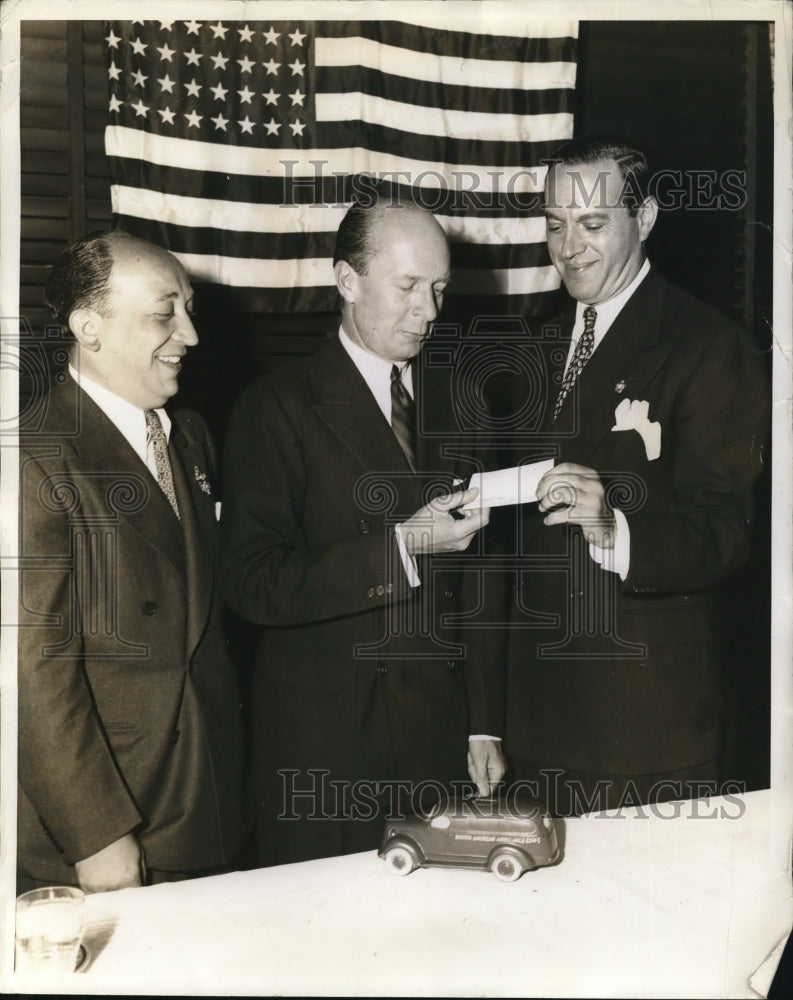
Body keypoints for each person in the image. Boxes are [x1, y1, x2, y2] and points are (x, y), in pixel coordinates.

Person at [220, 196, 504, 865]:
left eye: (437, 289)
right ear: (346, 281)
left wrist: (484, 723)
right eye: (407, 287)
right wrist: (401, 547)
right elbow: (252, 583)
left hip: (436, 739)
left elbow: (485, 581)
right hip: (323, 750)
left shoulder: (463, 404)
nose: (428, 311)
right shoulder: (275, 406)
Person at [500, 135, 769, 815]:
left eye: (591, 225)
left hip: (646, 729)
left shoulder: (709, 345)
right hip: (534, 720)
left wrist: (614, 527)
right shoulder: (533, 337)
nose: (568, 247)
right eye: (554, 225)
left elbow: (723, 532)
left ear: (643, 219)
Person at [18, 231, 247, 891]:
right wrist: (97, 837)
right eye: (163, 313)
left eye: (190, 309)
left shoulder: (192, 438)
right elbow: (36, 676)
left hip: (208, 805)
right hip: (112, 824)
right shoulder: (36, 456)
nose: (191, 335)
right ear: (90, 327)